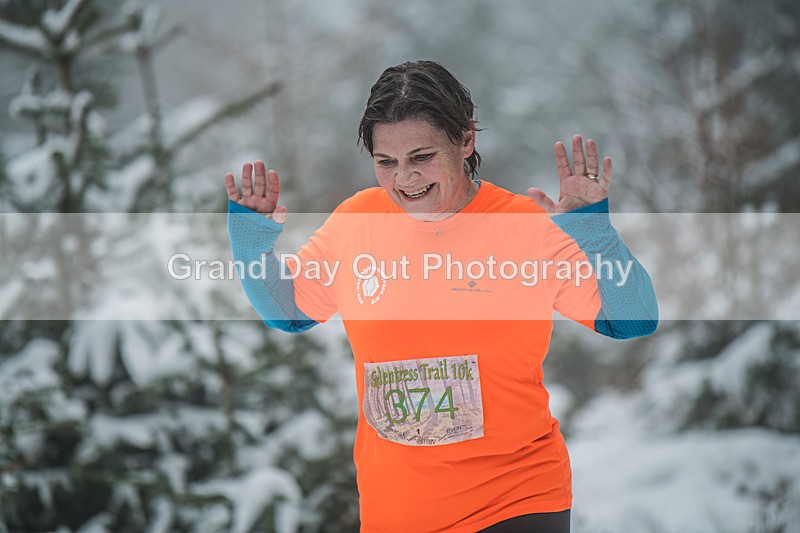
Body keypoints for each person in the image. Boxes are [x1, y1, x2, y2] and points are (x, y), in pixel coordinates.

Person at [225, 60, 658, 533]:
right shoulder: (356, 222)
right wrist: (252, 247)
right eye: (386, 162)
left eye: (422, 157)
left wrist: (596, 238)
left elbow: (633, 319)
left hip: (515, 500)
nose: (405, 178)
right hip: (395, 514)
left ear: (466, 139)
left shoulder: (525, 227)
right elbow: (288, 312)